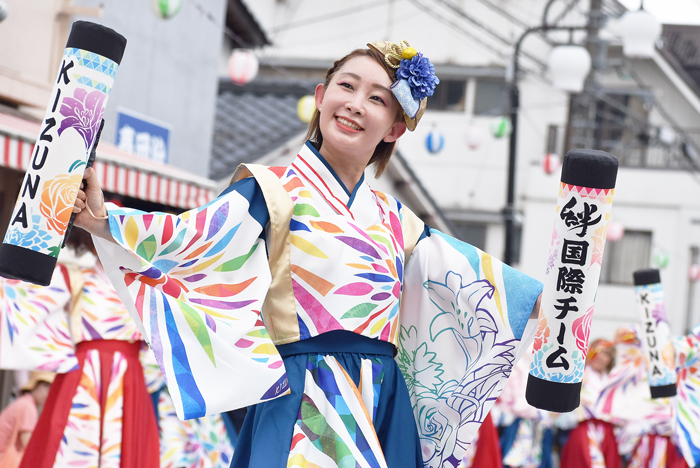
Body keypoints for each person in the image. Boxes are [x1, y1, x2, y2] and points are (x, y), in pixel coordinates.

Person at [73, 40, 544, 467]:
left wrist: (543, 305)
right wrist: (102, 219)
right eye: (347, 86)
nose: (356, 104)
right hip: (305, 394)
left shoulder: (397, 219)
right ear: (321, 97)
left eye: (377, 98)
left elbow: (468, 278)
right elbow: (194, 235)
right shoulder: (273, 191)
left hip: (381, 397)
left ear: (395, 128)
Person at [559, 338, 620, 468]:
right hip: (583, 430)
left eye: (606, 354)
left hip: (608, 434)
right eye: (597, 351)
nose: (600, 357)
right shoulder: (577, 374)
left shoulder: (613, 380)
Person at [0, 372, 53, 467]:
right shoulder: (28, 407)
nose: (48, 392)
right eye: (45, 386)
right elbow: (28, 445)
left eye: (51, 388)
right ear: (34, 385)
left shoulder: (23, 402)